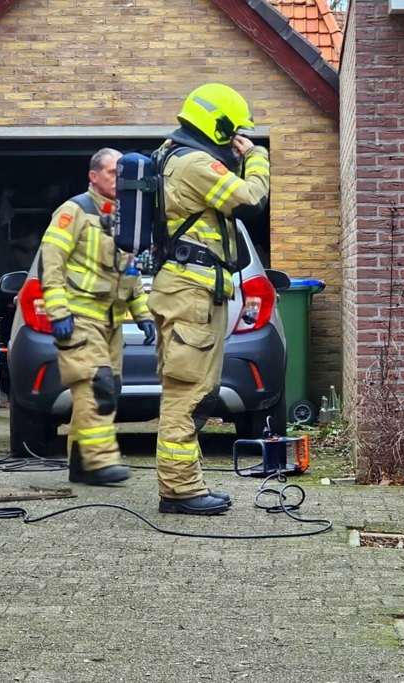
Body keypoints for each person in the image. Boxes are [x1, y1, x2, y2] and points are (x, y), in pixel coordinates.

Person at [147, 84, 270, 515]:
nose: (233, 138)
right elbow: (250, 201)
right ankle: (180, 491)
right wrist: (255, 157)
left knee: (189, 389)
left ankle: (185, 484)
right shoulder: (195, 164)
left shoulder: (169, 154)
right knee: (189, 392)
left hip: (187, 291)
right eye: (231, 131)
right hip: (191, 296)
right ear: (217, 126)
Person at [38, 148, 156, 486]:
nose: (120, 180)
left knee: (106, 389)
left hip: (112, 322)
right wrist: (58, 311)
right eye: (112, 173)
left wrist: (142, 314)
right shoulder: (74, 211)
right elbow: (52, 261)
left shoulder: (125, 218)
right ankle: (101, 462)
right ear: (93, 176)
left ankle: (80, 464)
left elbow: (128, 274)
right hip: (78, 317)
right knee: (97, 385)